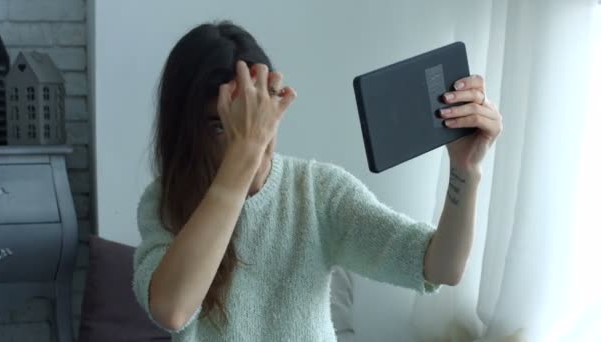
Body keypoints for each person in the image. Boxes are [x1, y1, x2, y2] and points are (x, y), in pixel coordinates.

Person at [132, 20, 503, 342]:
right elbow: (172, 310)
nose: (243, 137)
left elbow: (441, 268)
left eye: (253, 116)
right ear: (187, 130)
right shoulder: (164, 201)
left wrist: (466, 170)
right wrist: (242, 159)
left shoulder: (317, 191)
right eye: (220, 125)